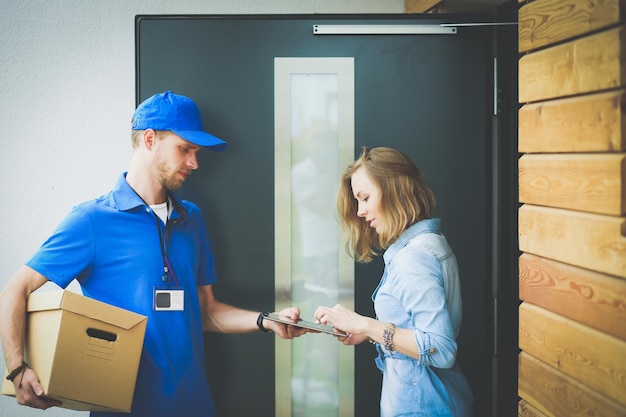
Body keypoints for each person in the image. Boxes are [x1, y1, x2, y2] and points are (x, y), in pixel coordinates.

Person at [0, 91, 306, 417]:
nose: (194, 163)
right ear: (149, 139)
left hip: (196, 406)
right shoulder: (91, 220)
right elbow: (15, 291)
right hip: (123, 409)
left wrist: (266, 321)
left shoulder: (193, 218)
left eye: (196, 152)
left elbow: (206, 311)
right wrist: (17, 369)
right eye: (184, 149)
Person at [314, 147, 473, 417]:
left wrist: (364, 323)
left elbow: (441, 348)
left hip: (424, 406)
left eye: (364, 198)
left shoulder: (414, 257)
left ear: (394, 190)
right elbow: (416, 327)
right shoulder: (427, 243)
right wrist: (368, 333)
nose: (361, 211)